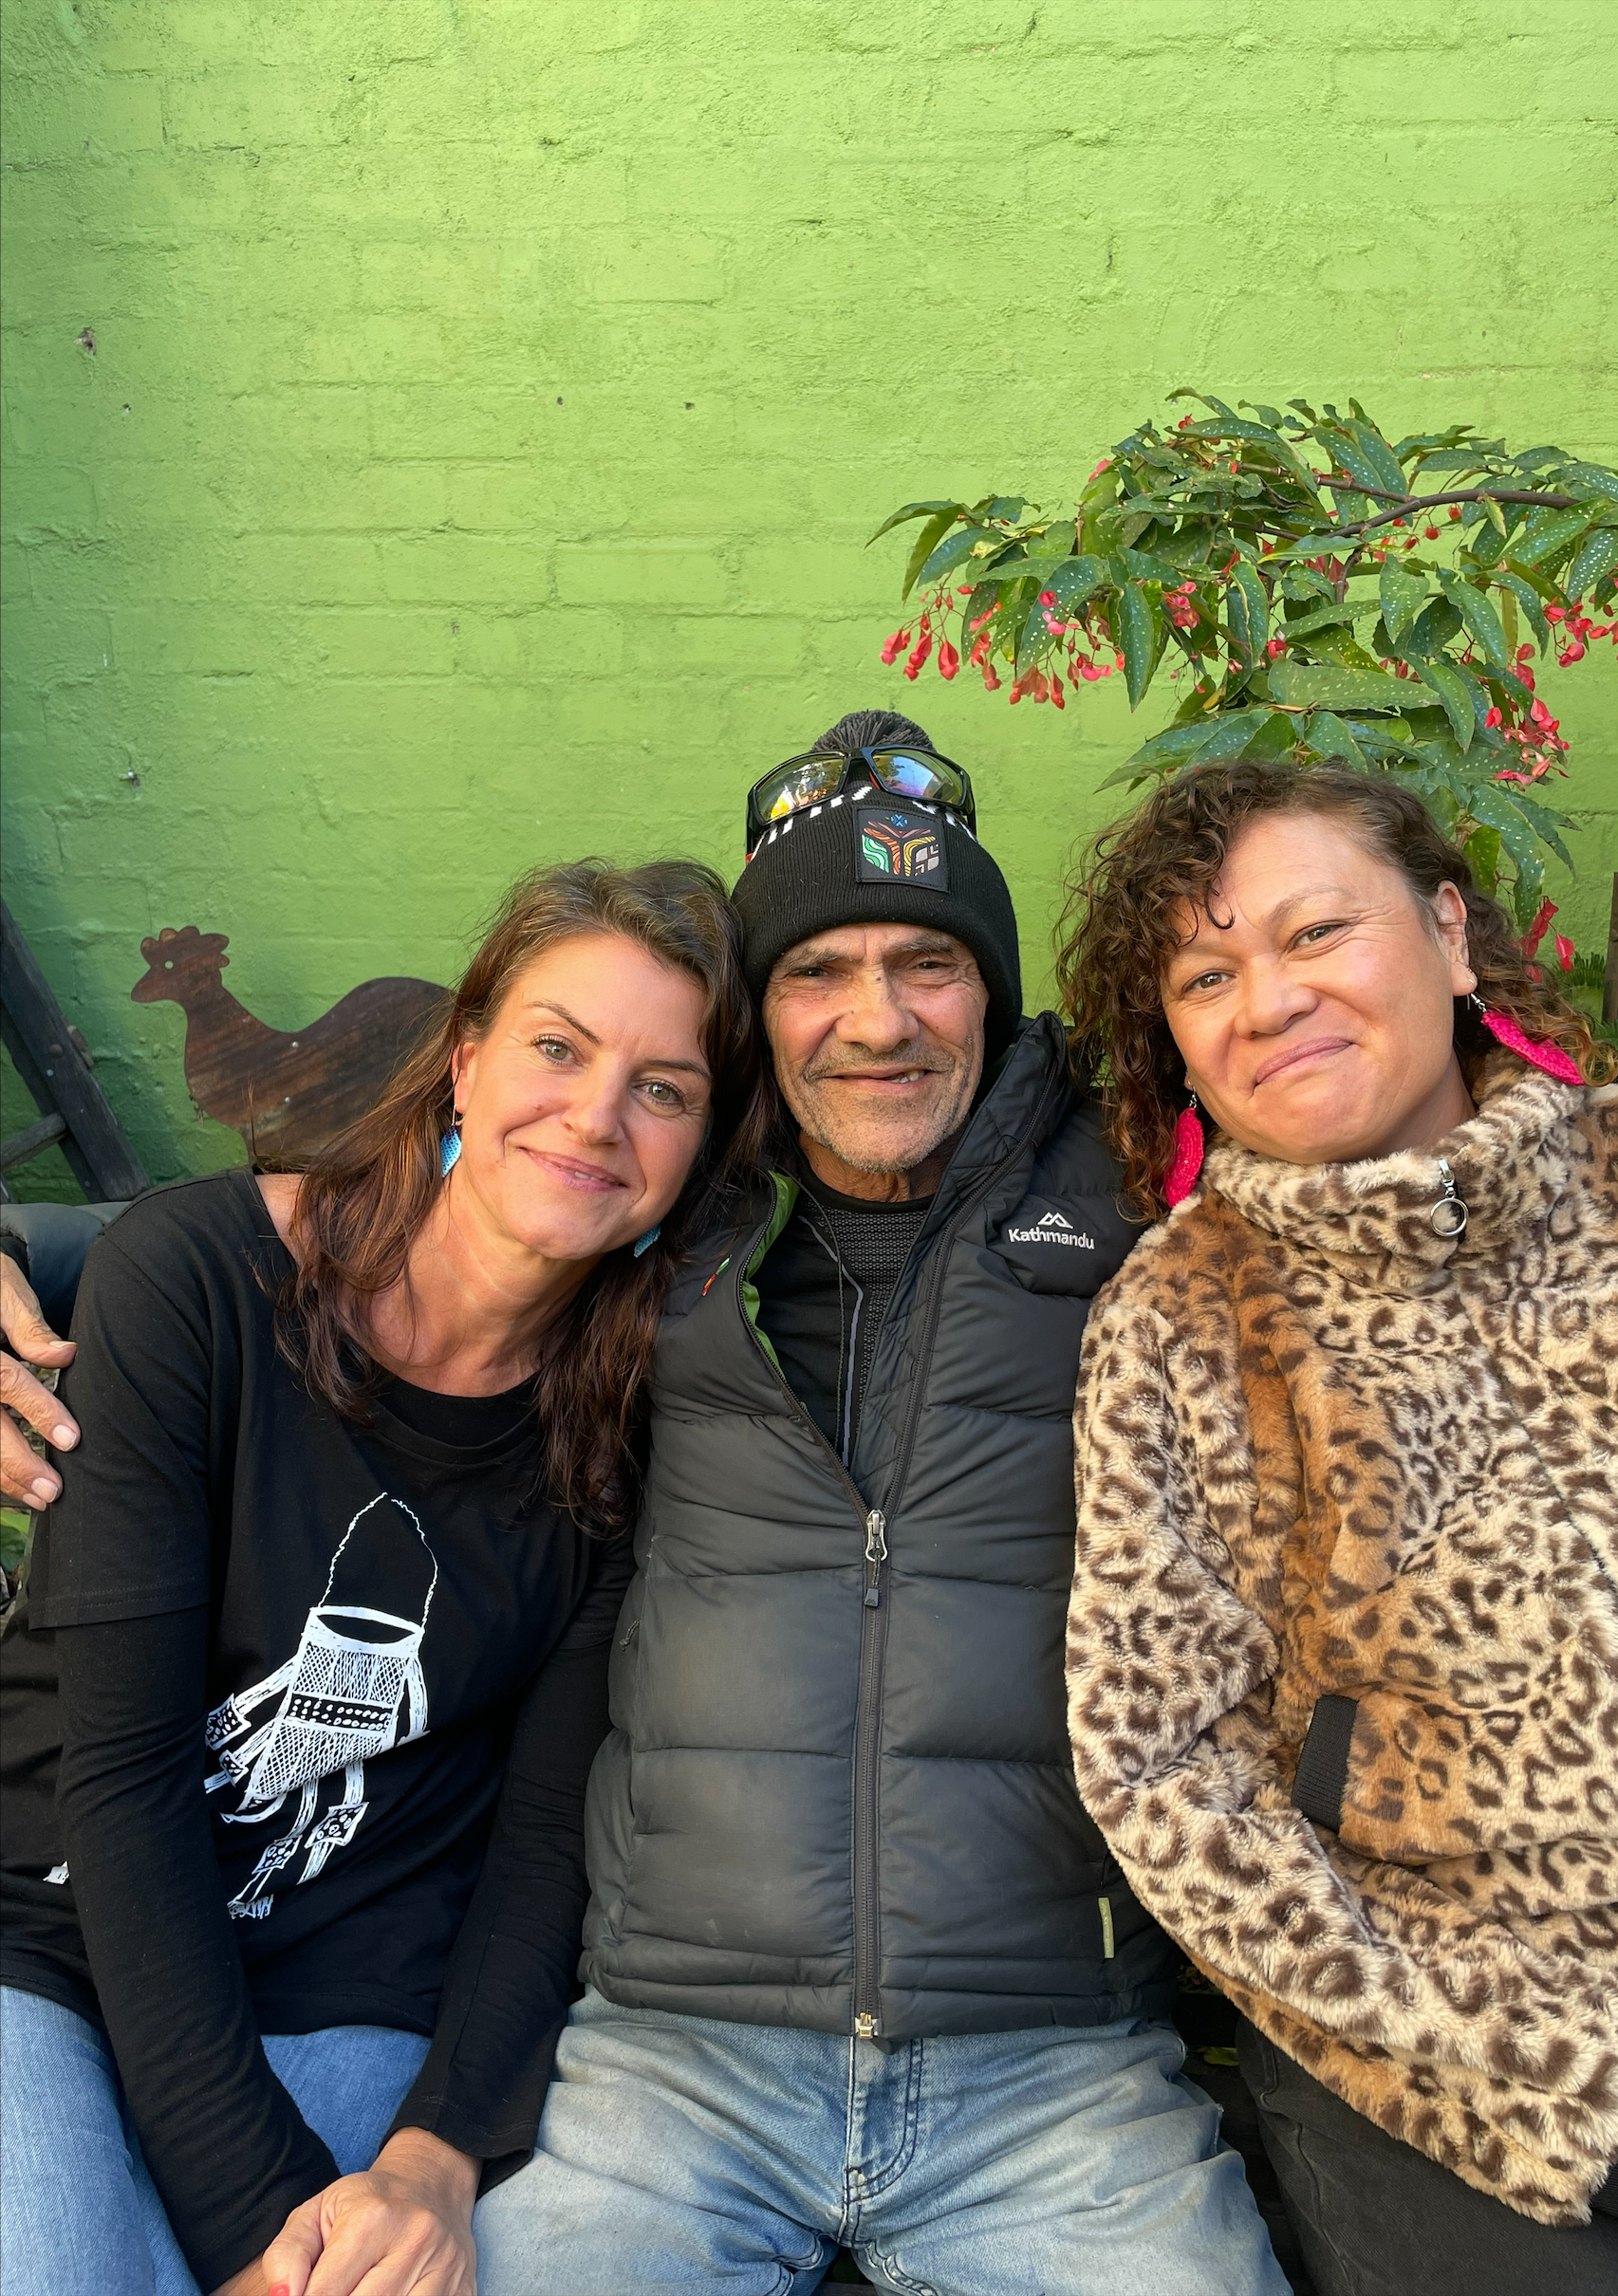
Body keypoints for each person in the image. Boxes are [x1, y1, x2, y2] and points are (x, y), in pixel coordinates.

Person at [2, 717, 1287, 2296]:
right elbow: (205, 1267)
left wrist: (429, 2155)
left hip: (1002, 2060)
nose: (875, 1021)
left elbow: (1395, 1174)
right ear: (469, 1054)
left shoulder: (1109, 1214)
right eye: (816, 972)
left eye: (929, 964)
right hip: (502, 2026)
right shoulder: (563, 1284)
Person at [0, 859, 772, 2296]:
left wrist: (436, 2152)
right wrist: (253, 2224)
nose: (597, 1116)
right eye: (558, 1047)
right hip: (47, 1936)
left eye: (663, 1089)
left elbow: (546, 1842)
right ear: (466, 1065)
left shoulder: (630, 1427)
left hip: (354, 1974)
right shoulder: (199, 1284)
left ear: (694, 1153)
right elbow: (123, 1777)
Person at [1057, 757, 1618, 2296]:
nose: (1267, 999)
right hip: (1443, 2043)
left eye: (1315, 934)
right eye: (1207, 973)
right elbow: (1164, 1777)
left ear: (1448, 930)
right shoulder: (1182, 1322)